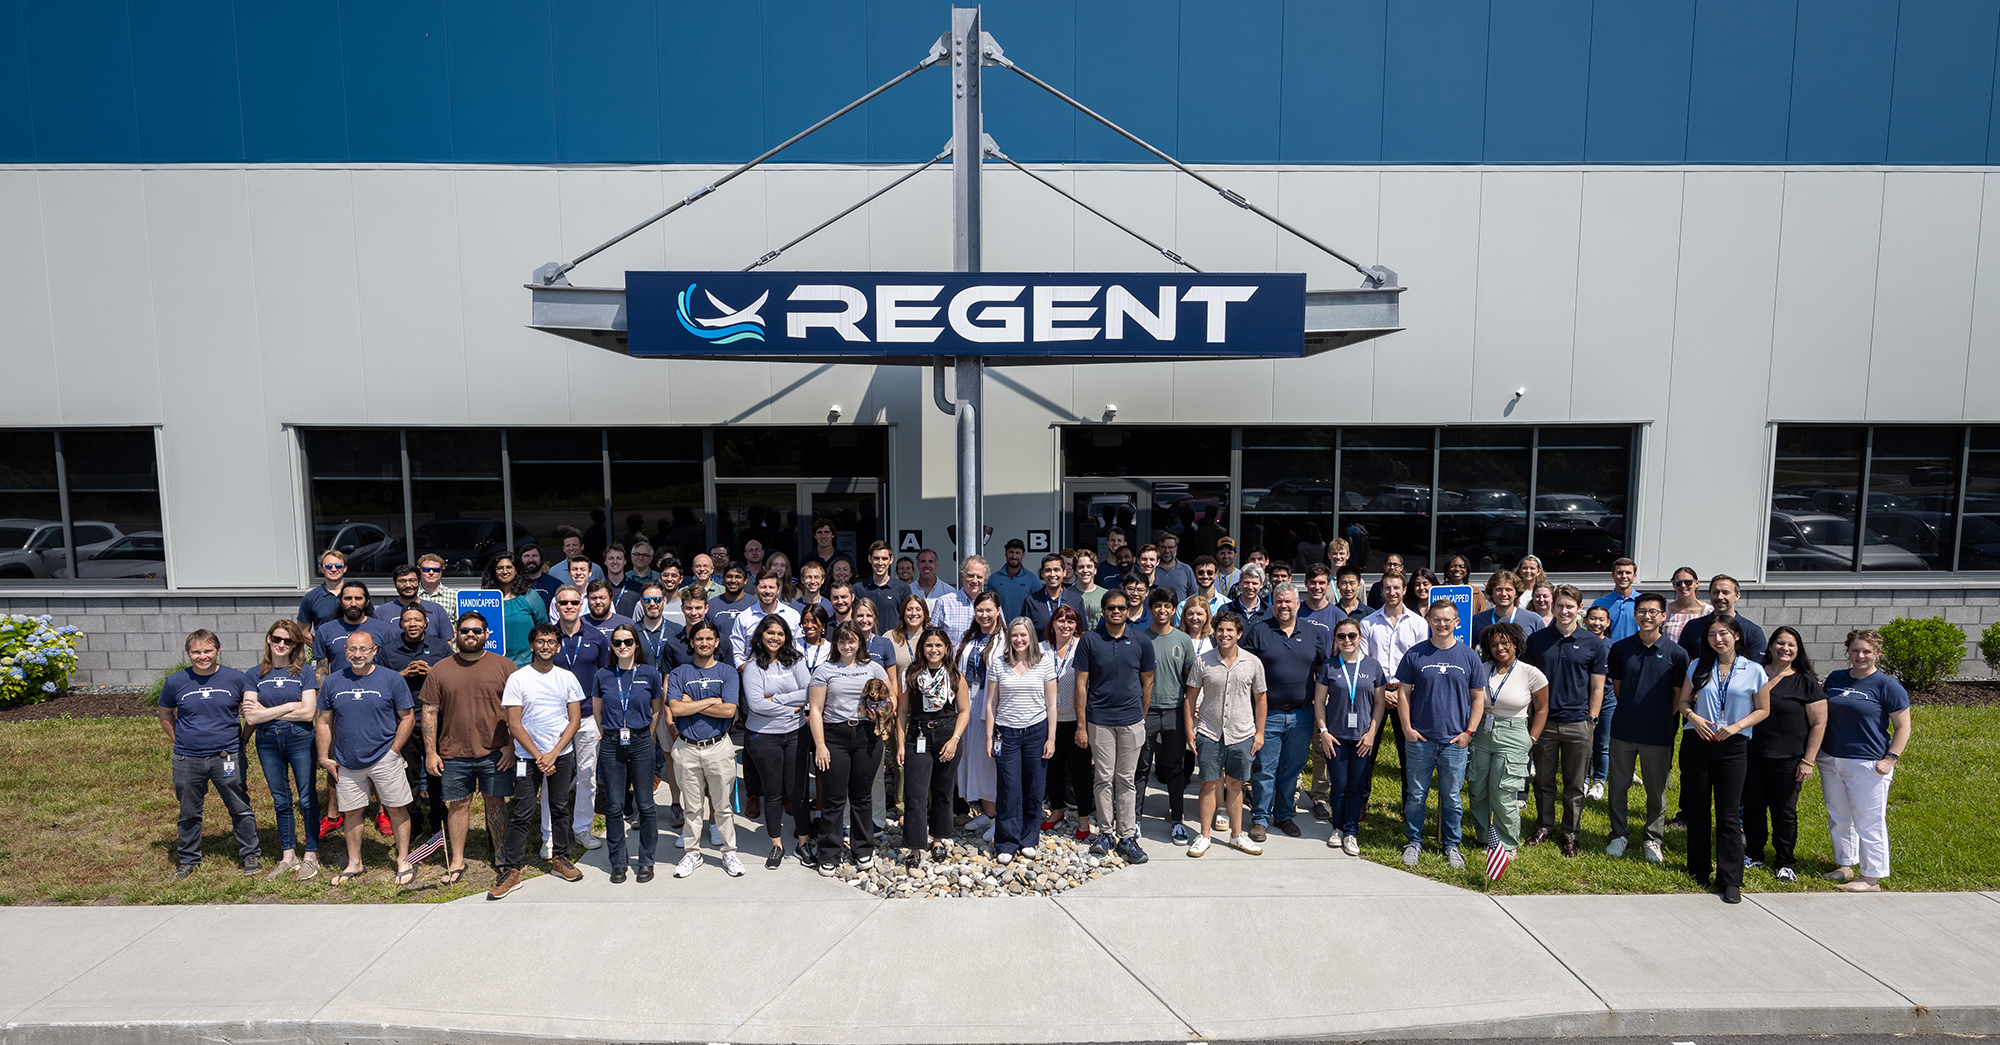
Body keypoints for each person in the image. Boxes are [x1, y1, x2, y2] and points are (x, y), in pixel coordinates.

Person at [1675, 615, 1770, 903]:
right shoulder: (1698, 665)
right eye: (1713, 634)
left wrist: (1737, 726)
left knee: (1729, 815)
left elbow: (1763, 709)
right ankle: (1698, 870)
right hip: (1698, 742)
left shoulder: (1753, 670)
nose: (1719, 639)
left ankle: (1730, 879)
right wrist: (1692, 716)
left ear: (1736, 636)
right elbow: (1682, 701)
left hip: (1733, 745)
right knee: (1698, 810)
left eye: (1724, 633)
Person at [488, 624, 586, 899]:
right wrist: (539, 756)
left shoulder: (567, 678)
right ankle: (512, 869)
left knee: (559, 808)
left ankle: (561, 858)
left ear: (558, 647)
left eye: (552, 642)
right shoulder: (518, 679)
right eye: (541, 641)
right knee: (522, 813)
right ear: (532, 645)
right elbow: (514, 724)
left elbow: (574, 720)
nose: (546, 646)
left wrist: (553, 753)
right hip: (526, 758)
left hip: (560, 755)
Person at [1389, 600, 1489, 869]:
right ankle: (1414, 841)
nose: (1442, 624)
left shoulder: (1468, 656)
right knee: (1416, 796)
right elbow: (1403, 694)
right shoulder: (1415, 655)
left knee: (1453, 797)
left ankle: (1452, 844)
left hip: (1455, 740)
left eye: (1447, 620)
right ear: (1429, 621)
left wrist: (1469, 732)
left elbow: (1478, 699)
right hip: (1420, 739)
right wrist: (1407, 728)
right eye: (1436, 619)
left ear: (1457, 622)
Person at [422, 610, 517, 888]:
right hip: (453, 751)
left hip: (496, 750)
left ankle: (501, 856)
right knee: (458, 805)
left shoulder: (505, 666)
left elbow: (518, 710)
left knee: (495, 802)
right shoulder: (441, 669)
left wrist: (512, 745)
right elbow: (429, 711)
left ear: (487, 634)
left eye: (476, 630)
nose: (471, 635)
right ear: (456, 634)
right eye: (465, 630)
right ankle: (457, 859)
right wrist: (431, 752)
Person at [316, 629, 418, 887]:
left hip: (384, 756)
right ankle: (354, 863)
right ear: (345, 651)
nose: (357, 654)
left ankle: (404, 860)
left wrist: (394, 751)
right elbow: (324, 721)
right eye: (352, 649)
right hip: (346, 761)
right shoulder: (333, 681)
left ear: (374, 651)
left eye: (363, 649)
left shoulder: (392, 679)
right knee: (351, 812)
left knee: (396, 808)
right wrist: (324, 757)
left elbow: (408, 717)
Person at [158, 629, 261, 879]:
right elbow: (165, 714)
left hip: (227, 755)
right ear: (188, 653)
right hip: (187, 758)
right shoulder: (175, 682)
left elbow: (253, 712)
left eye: (207, 651)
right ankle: (188, 858)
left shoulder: (237, 679)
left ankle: (250, 854)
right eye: (196, 652)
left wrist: (243, 739)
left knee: (239, 806)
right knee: (189, 811)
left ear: (218, 650)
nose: (202, 656)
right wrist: (180, 741)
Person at [1818, 628, 1914, 893]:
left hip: (1867, 763)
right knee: (1839, 816)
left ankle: (1872, 878)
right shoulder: (1836, 678)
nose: (1861, 655)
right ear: (1847, 651)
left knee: (1869, 820)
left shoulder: (1887, 685)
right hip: (1830, 758)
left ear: (1877, 654)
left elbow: (1903, 727)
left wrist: (1890, 759)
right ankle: (1845, 864)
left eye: (1867, 651)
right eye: (1856, 650)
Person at [1604, 593, 1690, 864]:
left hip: (1659, 732)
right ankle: (1618, 834)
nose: (1647, 616)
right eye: (1642, 611)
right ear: (1635, 614)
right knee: (1618, 786)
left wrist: (1659, 716)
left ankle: (1653, 838)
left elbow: (1679, 697)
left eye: (1653, 612)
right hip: (1624, 730)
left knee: (1656, 790)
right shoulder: (1620, 649)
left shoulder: (1677, 653)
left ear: (1664, 616)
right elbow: (1619, 689)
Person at [1523, 585, 1607, 857]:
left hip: (1578, 723)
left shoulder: (1593, 643)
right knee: (1543, 781)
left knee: (1574, 784)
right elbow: (1527, 681)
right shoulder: (1537, 641)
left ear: (1579, 609)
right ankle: (1544, 827)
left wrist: (1591, 720)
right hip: (1544, 723)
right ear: (1553, 607)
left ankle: (1571, 834)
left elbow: (1598, 687)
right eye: (1560, 605)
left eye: (1570, 606)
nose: (1564, 610)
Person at [1074, 589, 1157, 864]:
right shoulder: (1089, 640)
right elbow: (1081, 684)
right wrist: (1082, 725)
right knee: (1103, 778)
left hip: (1131, 721)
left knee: (1126, 780)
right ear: (1104, 610)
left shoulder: (1142, 641)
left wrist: (1140, 716)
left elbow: (1147, 682)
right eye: (1111, 608)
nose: (1117, 612)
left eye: (1121, 607)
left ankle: (1127, 836)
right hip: (1100, 720)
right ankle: (1106, 833)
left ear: (1128, 609)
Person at [1240, 583, 1326, 841]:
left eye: (1289, 601)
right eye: (1279, 602)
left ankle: (1285, 815)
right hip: (1268, 714)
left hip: (1302, 714)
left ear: (1298, 604)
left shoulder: (1313, 633)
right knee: (1265, 767)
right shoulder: (1259, 631)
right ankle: (1260, 819)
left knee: (1292, 768)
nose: (1284, 606)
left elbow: (1324, 668)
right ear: (1273, 603)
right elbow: (1245, 668)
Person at [239, 620, 321, 880]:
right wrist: (288, 707)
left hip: (300, 739)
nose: (282, 645)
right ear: (268, 640)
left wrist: (268, 712)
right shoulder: (254, 674)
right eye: (277, 639)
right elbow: (251, 719)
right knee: (281, 799)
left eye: (288, 641)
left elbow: (308, 713)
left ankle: (310, 854)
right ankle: (288, 855)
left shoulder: (305, 672)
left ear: (297, 644)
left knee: (307, 799)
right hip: (267, 741)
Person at [1743, 625, 1826, 883]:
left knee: (1784, 812)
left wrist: (1807, 761)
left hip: (1789, 760)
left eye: (1791, 645)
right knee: (1753, 809)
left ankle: (1785, 862)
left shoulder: (1806, 682)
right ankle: (1754, 854)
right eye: (1780, 643)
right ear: (1770, 646)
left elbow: (1819, 724)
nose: (1785, 648)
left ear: (1798, 650)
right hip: (1751, 756)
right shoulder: (1754, 674)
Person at [1183, 611, 1266, 857]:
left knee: (1235, 784)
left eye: (1230, 630)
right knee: (1208, 784)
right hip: (1209, 731)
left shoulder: (1252, 662)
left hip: (1241, 733)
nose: (1224, 634)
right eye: (1220, 630)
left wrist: (1259, 733)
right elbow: (1190, 698)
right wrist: (1190, 730)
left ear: (1239, 634)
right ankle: (1204, 835)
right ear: (1214, 632)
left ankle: (1237, 835)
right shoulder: (1203, 661)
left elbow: (1260, 700)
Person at [1465, 622, 1547, 868]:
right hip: (1482, 732)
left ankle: (1506, 844)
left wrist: (1531, 738)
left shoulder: (1531, 672)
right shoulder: (1482, 669)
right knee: (1478, 788)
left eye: (1505, 643)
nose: (1500, 648)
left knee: (1503, 792)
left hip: (1513, 733)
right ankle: (1485, 838)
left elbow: (1542, 709)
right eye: (1494, 644)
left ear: (1515, 644)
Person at [809, 622, 890, 874]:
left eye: (852, 640)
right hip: (834, 736)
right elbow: (815, 710)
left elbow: (891, 698)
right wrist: (820, 745)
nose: (847, 646)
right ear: (835, 643)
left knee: (861, 796)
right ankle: (829, 853)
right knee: (834, 798)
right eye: (842, 641)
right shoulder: (824, 670)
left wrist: (882, 717)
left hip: (867, 735)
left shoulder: (874, 668)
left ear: (860, 642)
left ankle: (863, 849)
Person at [665, 619, 742, 877]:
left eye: (709, 639)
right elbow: (675, 708)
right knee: (692, 807)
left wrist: (693, 703)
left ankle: (729, 853)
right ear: (691, 642)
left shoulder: (727, 672)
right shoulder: (679, 673)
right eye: (699, 639)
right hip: (686, 747)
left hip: (718, 747)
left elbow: (729, 710)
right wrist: (712, 701)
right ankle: (692, 853)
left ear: (717, 642)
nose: (704, 643)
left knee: (722, 806)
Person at [378, 603, 453, 859]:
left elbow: (452, 681)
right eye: (407, 620)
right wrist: (403, 673)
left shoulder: (441, 647)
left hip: (436, 720)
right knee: (408, 774)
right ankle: (413, 821)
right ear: (400, 624)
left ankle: (439, 822)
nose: (412, 624)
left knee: (437, 773)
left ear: (425, 623)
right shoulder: (388, 651)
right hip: (404, 720)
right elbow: (378, 682)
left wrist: (432, 673)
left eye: (417, 620)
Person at [742, 614, 814, 870]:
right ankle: (776, 845)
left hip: (796, 733)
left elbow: (809, 692)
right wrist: (793, 706)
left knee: (799, 792)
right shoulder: (753, 666)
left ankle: (803, 842)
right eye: (770, 632)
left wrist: (778, 700)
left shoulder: (795, 661)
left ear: (787, 637)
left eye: (780, 633)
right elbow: (756, 704)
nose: (775, 637)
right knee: (772, 793)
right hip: (764, 737)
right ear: (761, 635)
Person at [595, 623, 665, 882]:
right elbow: (598, 709)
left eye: (627, 642)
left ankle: (646, 860)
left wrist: (646, 733)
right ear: (612, 646)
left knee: (645, 804)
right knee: (613, 806)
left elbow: (656, 708)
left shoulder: (649, 673)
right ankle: (618, 862)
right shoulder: (603, 674)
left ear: (636, 644)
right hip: (612, 743)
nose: (622, 646)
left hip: (641, 741)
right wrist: (608, 733)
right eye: (617, 642)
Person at [1313, 617, 1388, 856]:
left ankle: (1351, 831)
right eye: (1341, 636)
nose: (1347, 640)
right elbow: (1319, 702)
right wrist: (1323, 732)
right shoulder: (1329, 666)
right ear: (1335, 639)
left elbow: (1379, 702)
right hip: (1336, 736)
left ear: (1360, 637)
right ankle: (1337, 827)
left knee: (1356, 787)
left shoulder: (1373, 666)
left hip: (1363, 737)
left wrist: (1372, 733)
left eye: (1352, 635)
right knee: (1339, 785)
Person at [986, 617, 1058, 863]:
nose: (1018, 639)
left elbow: (1051, 704)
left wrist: (1051, 738)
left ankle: (1029, 839)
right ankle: (1006, 841)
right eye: (1014, 635)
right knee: (1008, 789)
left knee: (1034, 787)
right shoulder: (998, 663)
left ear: (1031, 637)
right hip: (1006, 733)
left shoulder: (1045, 662)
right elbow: (991, 704)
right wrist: (988, 737)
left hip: (1036, 732)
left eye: (1023, 635)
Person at [546, 585, 609, 857]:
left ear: (581, 604)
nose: (569, 606)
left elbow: (605, 679)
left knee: (587, 775)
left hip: (587, 718)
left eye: (574, 602)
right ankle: (549, 836)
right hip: (554, 718)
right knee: (551, 776)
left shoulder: (596, 637)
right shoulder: (547, 637)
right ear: (557, 606)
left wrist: (603, 719)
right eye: (564, 602)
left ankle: (582, 828)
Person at [902, 626, 970, 864]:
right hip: (917, 735)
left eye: (938, 645)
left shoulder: (954, 675)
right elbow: (902, 712)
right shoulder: (911, 675)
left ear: (946, 648)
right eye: (929, 645)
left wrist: (955, 739)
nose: (933, 649)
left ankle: (939, 839)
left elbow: (964, 710)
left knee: (943, 791)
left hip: (947, 735)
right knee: (915, 793)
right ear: (922, 648)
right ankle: (914, 846)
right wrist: (901, 744)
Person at [1135, 586, 1198, 843]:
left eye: (1167, 606)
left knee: (1175, 769)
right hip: (1145, 712)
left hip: (1173, 711)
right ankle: (1134, 820)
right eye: (1157, 606)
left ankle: (1177, 821)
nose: (1162, 610)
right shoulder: (1139, 637)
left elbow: (1190, 679)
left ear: (1174, 610)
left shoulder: (1183, 640)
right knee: (1140, 768)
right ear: (1150, 609)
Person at [1359, 571, 1425, 808]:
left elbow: (1420, 662)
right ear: (1381, 590)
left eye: (1396, 588)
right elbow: (1365, 661)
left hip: (1406, 694)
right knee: (1366, 751)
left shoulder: (1419, 623)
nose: (1392, 592)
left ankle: (1410, 806)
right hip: (1375, 693)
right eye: (1387, 588)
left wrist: (1401, 693)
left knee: (1408, 753)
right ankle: (1361, 802)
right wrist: (1381, 691)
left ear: (1404, 590)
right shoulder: (1368, 623)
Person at [1039, 605, 1093, 841]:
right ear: (1052, 624)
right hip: (1047, 721)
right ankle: (1057, 811)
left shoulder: (1083, 646)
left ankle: (1083, 819)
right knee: (1053, 770)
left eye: (1070, 621)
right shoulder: (1041, 649)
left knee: (1080, 772)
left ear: (1076, 625)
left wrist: (1085, 725)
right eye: (1060, 620)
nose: (1065, 625)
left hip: (1075, 720)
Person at [955, 590, 1006, 834]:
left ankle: (1001, 817)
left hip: (994, 705)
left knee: (991, 762)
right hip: (969, 704)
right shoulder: (970, 638)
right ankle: (988, 813)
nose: (984, 615)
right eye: (980, 610)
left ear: (998, 611)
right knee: (974, 760)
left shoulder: (1006, 640)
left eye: (989, 610)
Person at [729, 568, 803, 666]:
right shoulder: (744, 618)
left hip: (786, 675)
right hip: (754, 677)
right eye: (763, 587)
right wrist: (751, 674)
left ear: (778, 589)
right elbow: (737, 655)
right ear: (755, 588)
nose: (767, 591)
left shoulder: (792, 616)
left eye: (771, 587)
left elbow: (799, 650)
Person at [483, 554, 546, 668]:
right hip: (495, 664)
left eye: (509, 567)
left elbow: (543, 627)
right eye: (500, 568)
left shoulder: (530, 596)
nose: (504, 571)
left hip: (526, 664)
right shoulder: (486, 599)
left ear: (516, 570)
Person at [375, 564, 450, 642]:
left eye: (412, 580)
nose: (408, 585)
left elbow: (447, 643)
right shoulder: (381, 613)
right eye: (402, 581)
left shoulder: (436, 610)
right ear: (394, 583)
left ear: (419, 582)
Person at [1025, 553, 1086, 636]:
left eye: (1056, 570)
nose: (1052, 574)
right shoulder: (1031, 601)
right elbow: (1025, 632)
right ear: (1042, 573)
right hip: (1040, 648)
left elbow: (1082, 631)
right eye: (1048, 570)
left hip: (1069, 648)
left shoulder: (1076, 600)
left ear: (1064, 572)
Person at [933, 555, 988, 648]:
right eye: (970, 576)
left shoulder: (991, 604)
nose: (975, 580)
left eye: (979, 577)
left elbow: (1001, 635)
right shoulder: (944, 603)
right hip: (951, 661)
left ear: (985, 580)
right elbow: (931, 636)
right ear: (962, 576)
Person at [856, 541, 912, 628]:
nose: (880, 563)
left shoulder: (902, 588)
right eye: (876, 558)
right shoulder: (859, 588)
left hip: (893, 640)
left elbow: (908, 619)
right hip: (865, 640)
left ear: (891, 560)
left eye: (884, 558)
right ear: (869, 559)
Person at [1472, 570, 1544, 638]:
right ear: (1492, 593)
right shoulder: (1477, 620)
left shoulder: (1534, 620)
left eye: (1508, 590)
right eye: (1499, 589)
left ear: (1516, 593)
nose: (1503, 594)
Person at [297, 551, 350, 639]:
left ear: (345, 568)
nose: (333, 569)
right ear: (322, 569)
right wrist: (319, 648)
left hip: (355, 651)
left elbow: (370, 623)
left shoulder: (357, 594)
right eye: (328, 566)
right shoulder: (311, 597)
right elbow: (302, 631)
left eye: (338, 566)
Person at [1591, 558, 1640, 645]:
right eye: (1620, 572)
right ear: (1613, 575)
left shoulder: (1643, 602)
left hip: (1636, 653)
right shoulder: (1599, 603)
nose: (1624, 576)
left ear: (1634, 576)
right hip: (1608, 653)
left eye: (1628, 573)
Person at [987, 538, 1036, 619]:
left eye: (1017, 553)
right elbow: (989, 604)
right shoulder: (994, 578)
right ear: (1005, 554)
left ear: (1023, 555)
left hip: (1022, 628)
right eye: (1011, 552)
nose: (1014, 556)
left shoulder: (1032, 579)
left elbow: (1037, 607)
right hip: (1000, 628)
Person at [1664, 566, 1708, 645]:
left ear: (1697, 583)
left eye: (1688, 582)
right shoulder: (1665, 610)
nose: (1683, 586)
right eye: (1678, 583)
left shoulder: (1708, 611)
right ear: (1673, 585)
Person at [1154, 532, 1196, 602]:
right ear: (1158, 548)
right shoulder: (1152, 568)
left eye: (1170, 547)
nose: (1167, 551)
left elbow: (1193, 595)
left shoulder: (1186, 569)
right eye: (1163, 547)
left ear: (1176, 547)